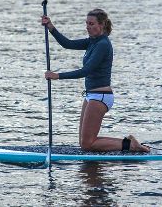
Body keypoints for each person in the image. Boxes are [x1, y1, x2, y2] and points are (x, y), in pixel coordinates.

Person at [42, 9, 149, 152]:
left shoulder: (103, 45)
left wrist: (58, 76)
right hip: (91, 95)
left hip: (101, 97)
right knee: (84, 143)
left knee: (88, 144)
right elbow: (67, 44)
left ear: (102, 25)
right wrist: (51, 27)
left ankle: (131, 145)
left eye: (91, 24)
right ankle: (128, 143)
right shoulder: (92, 42)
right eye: (86, 23)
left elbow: (86, 71)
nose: (87, 26)